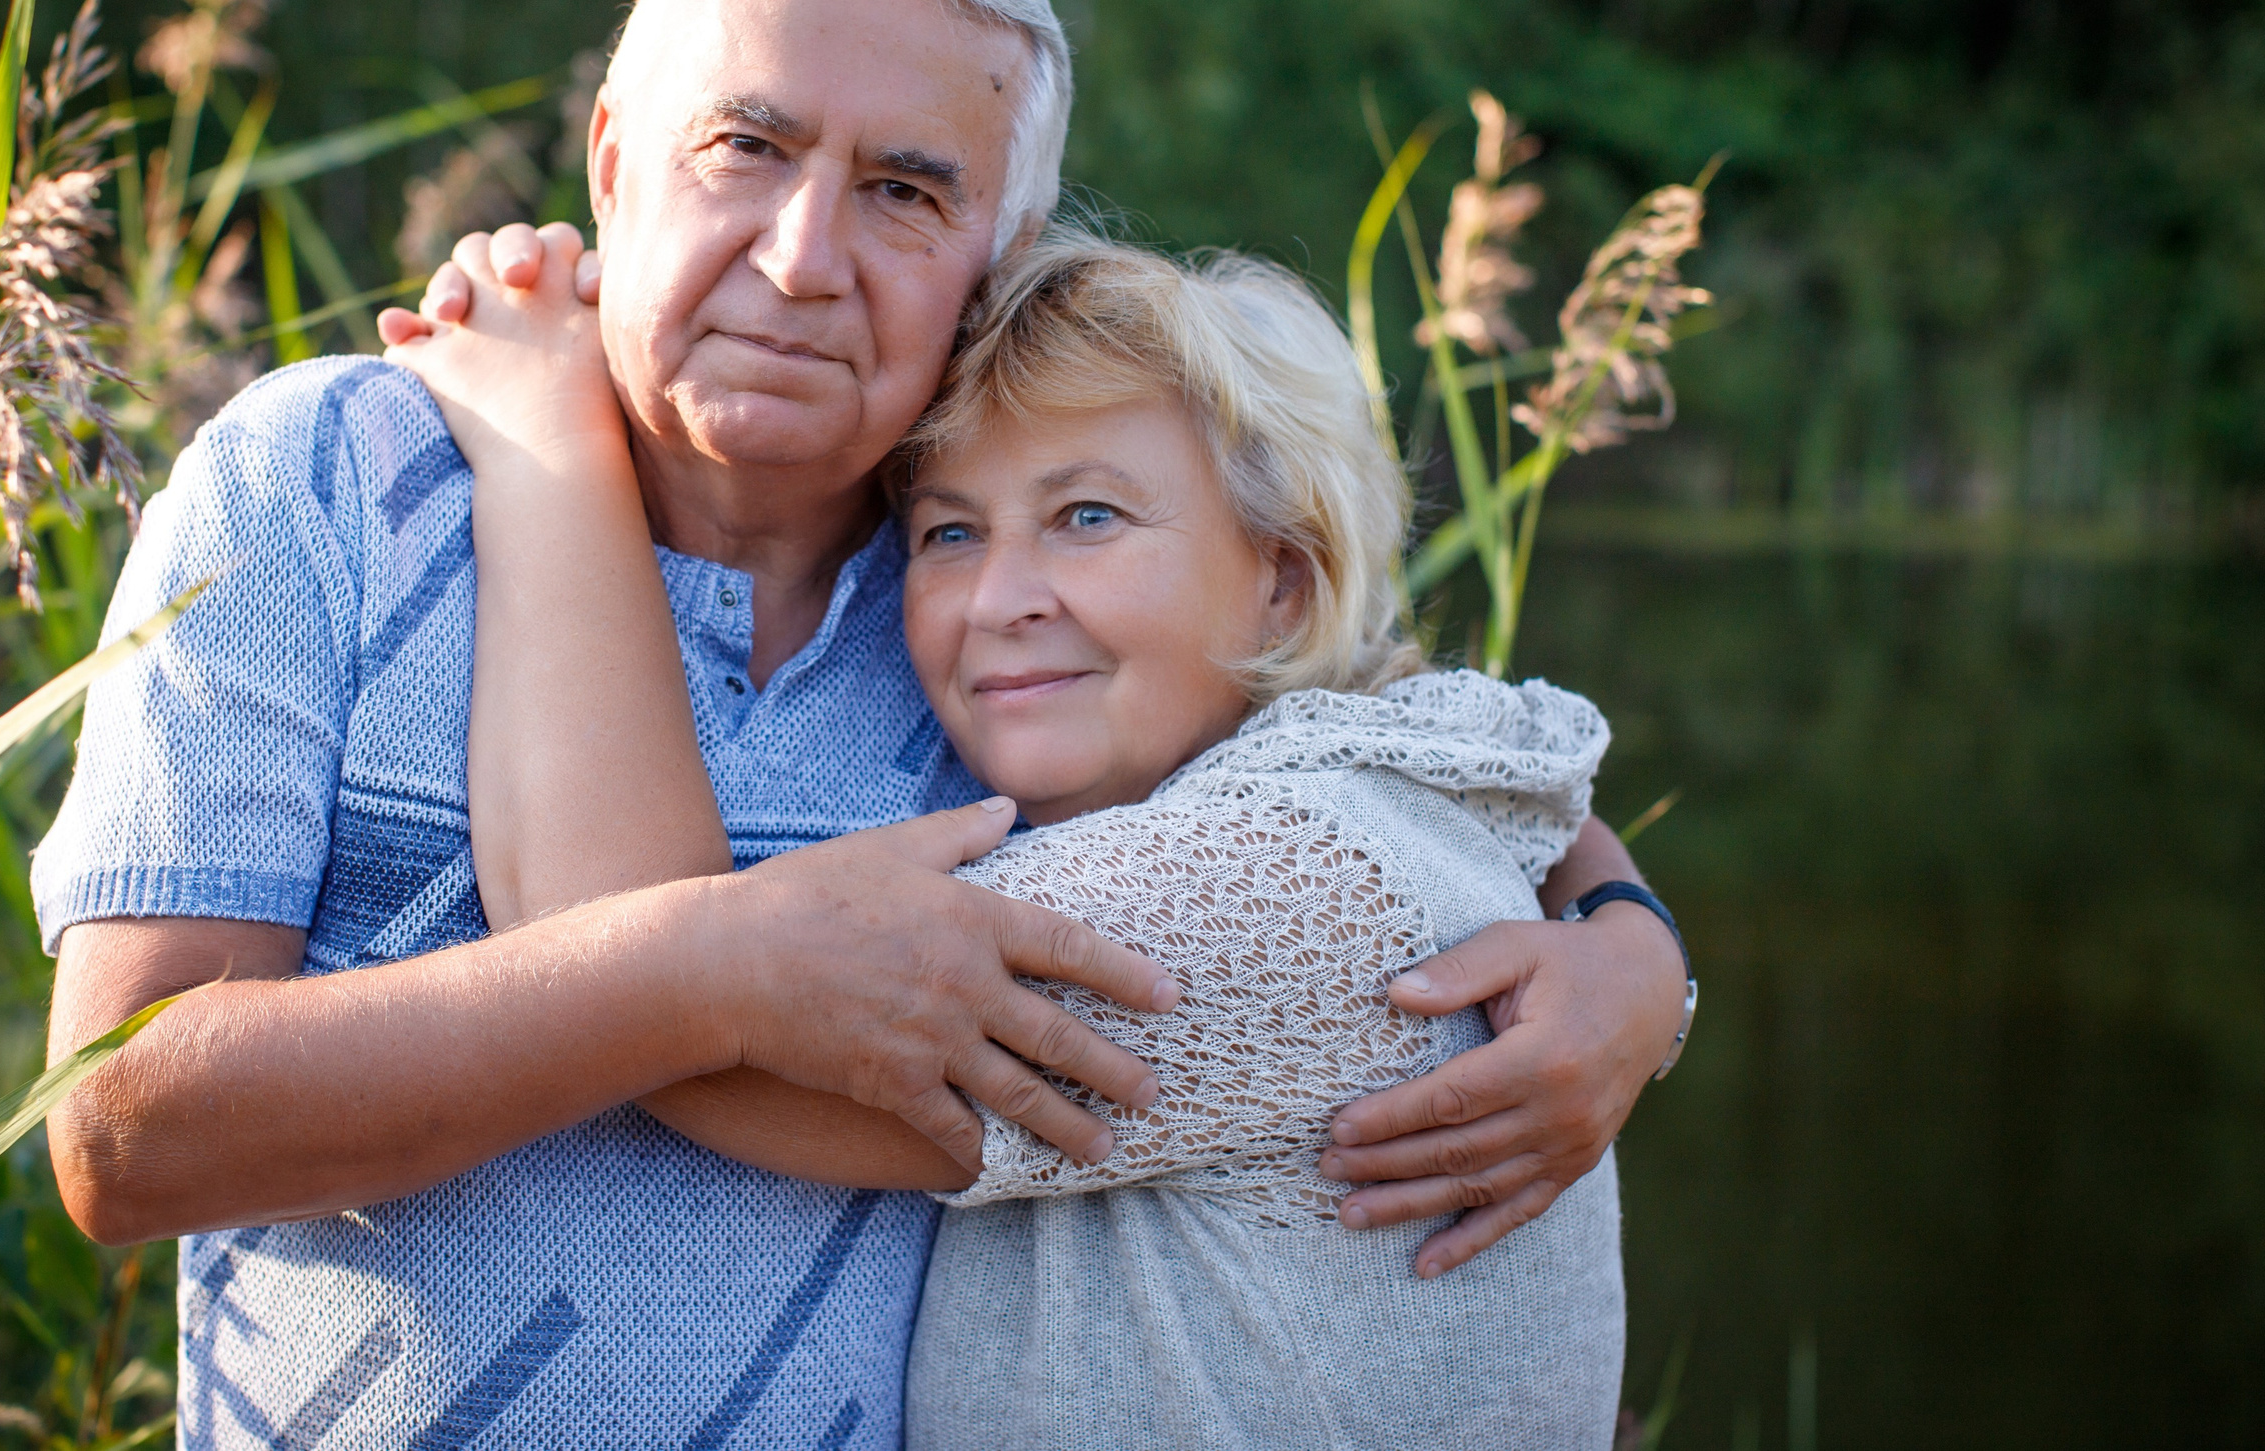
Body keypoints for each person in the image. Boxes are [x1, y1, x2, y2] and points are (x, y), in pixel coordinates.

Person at [37, 0, 1688, 1446]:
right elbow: (123, 1133)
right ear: (611, 162)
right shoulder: (317, 483)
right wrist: (715, 967)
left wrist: (1627, 948)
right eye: (744, 146)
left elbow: (1368, 739)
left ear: (997, 258)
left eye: (905, 191)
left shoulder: (993, 604)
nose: (802, 257)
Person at [392, 229, 1639, 1449]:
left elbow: (631, 975)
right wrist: (1641, 939)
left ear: (1284, 581)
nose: (997, 600)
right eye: (949, 533)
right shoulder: (1383, 792)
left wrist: (544, 445)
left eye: (1087, 516)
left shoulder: (1274, 882)